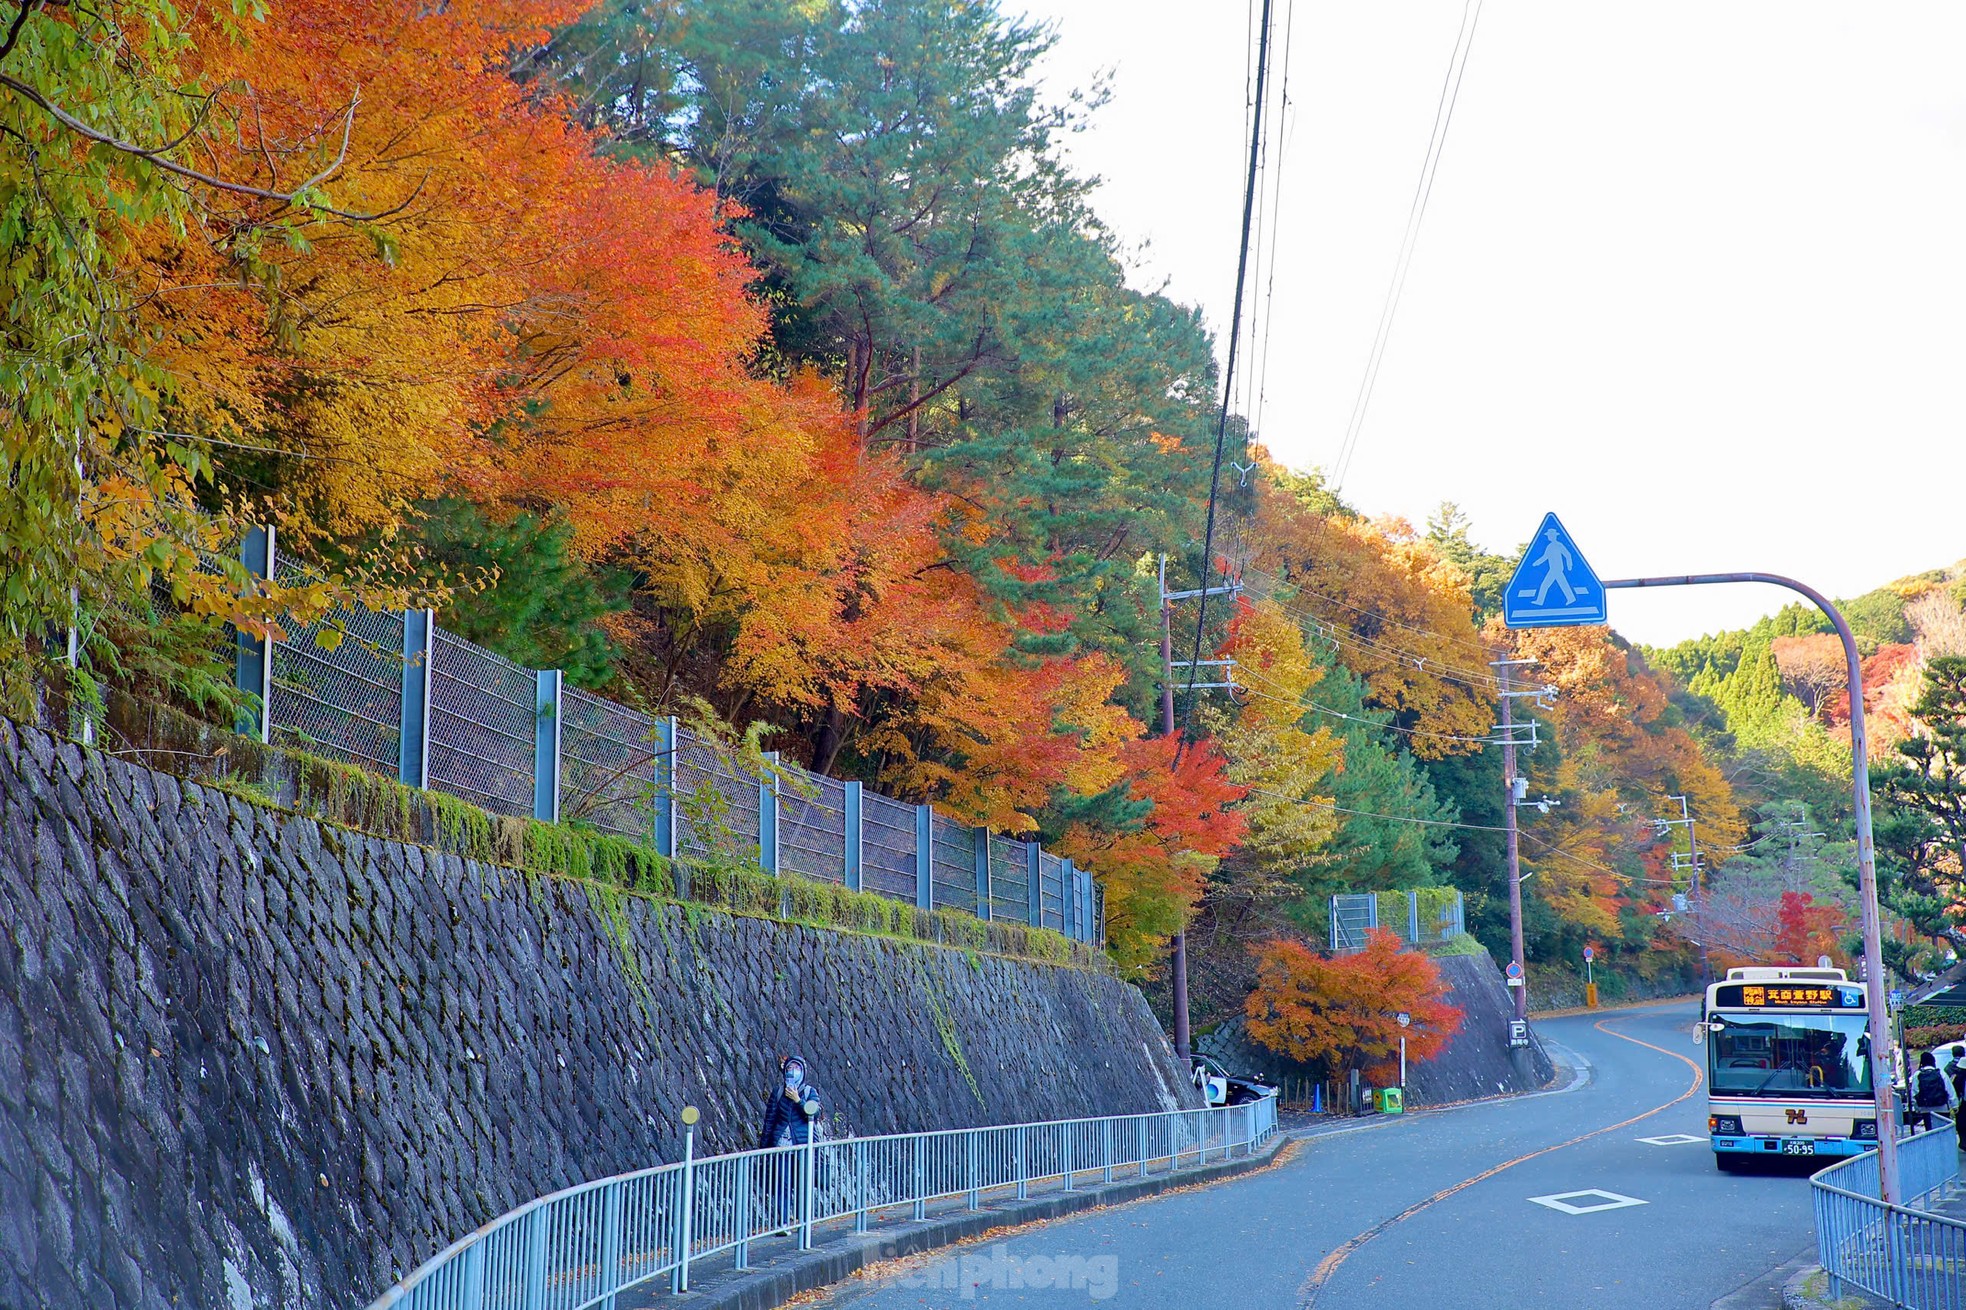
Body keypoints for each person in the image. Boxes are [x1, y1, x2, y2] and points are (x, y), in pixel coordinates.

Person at [758, 1055, 823, 1230]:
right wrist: (764, 1148)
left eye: (796, 1069)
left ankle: (803, 1223)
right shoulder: (778, 1092)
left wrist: (798, 1100)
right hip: (782, 1146)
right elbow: (769, 1121)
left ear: (803, 1072)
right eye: (789, 1069)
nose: (792, 1072)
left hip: (802, 1147)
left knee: (802, 1184)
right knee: (782, 1182)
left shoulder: (810, 1092)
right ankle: (783, 1222)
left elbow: (814, 1115)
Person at [1908, 1050, 1951, 1133]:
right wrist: (1954, 1105)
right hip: (1942, 1107)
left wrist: (1917, 1108)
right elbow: (1949, 1090)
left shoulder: (1917, 1075)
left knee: (1930, 1132)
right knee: (1944, 1132)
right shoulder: (1941, 1073)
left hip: (1926, 1109)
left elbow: (1914, 1092)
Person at [1947, 1044, 1966, 1150]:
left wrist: (1954, 1105)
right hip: (1962, 1102)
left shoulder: (1953, 1073)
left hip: (1962, 1103)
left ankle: (1963, 1142)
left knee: (1962, 1123)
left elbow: (1954, 1090)